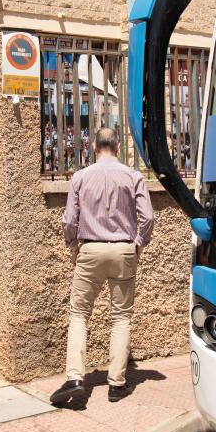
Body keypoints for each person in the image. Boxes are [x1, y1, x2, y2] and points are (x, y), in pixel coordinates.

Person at [51, 127, 154, 408]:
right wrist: (139, 243)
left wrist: (73, 246)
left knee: (79, 314)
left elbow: (69, 220)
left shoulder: (80, 177)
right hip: (123, 249)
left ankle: (75, 378)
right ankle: (116, 384)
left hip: (90, 249)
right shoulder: (133, 176)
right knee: (121, 317)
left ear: (94, 146)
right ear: (118, 147)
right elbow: (147, 217)